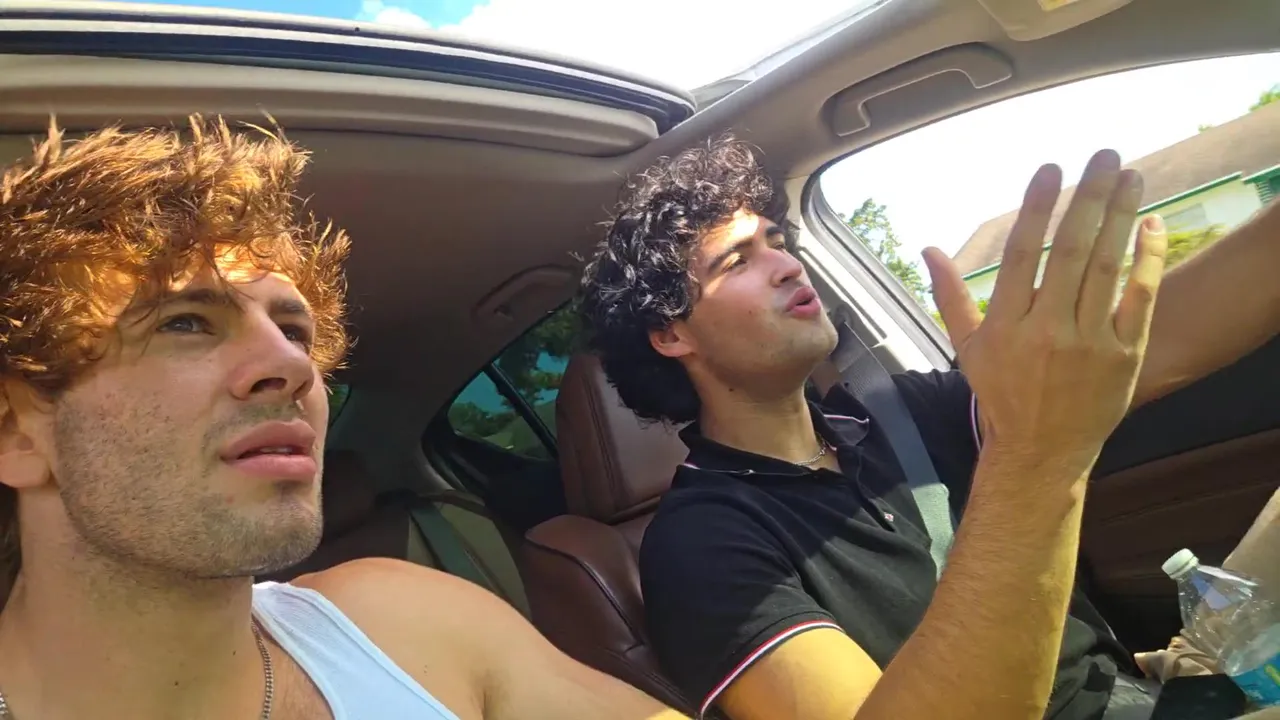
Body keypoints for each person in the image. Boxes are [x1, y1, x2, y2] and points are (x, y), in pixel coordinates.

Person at [0, 117, 688, 720]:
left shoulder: (414, 624)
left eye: (294, 332)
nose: (294, 367)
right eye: (184, 322)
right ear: (15, 432)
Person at [579, 135, 1280, 720]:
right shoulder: (698, 544)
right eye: (739, 260)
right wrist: (1036, 458)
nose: (787, 264)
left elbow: (1164, 343)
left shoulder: (899, 412)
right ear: (671, 334)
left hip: (1149, 693)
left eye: (777, 241)